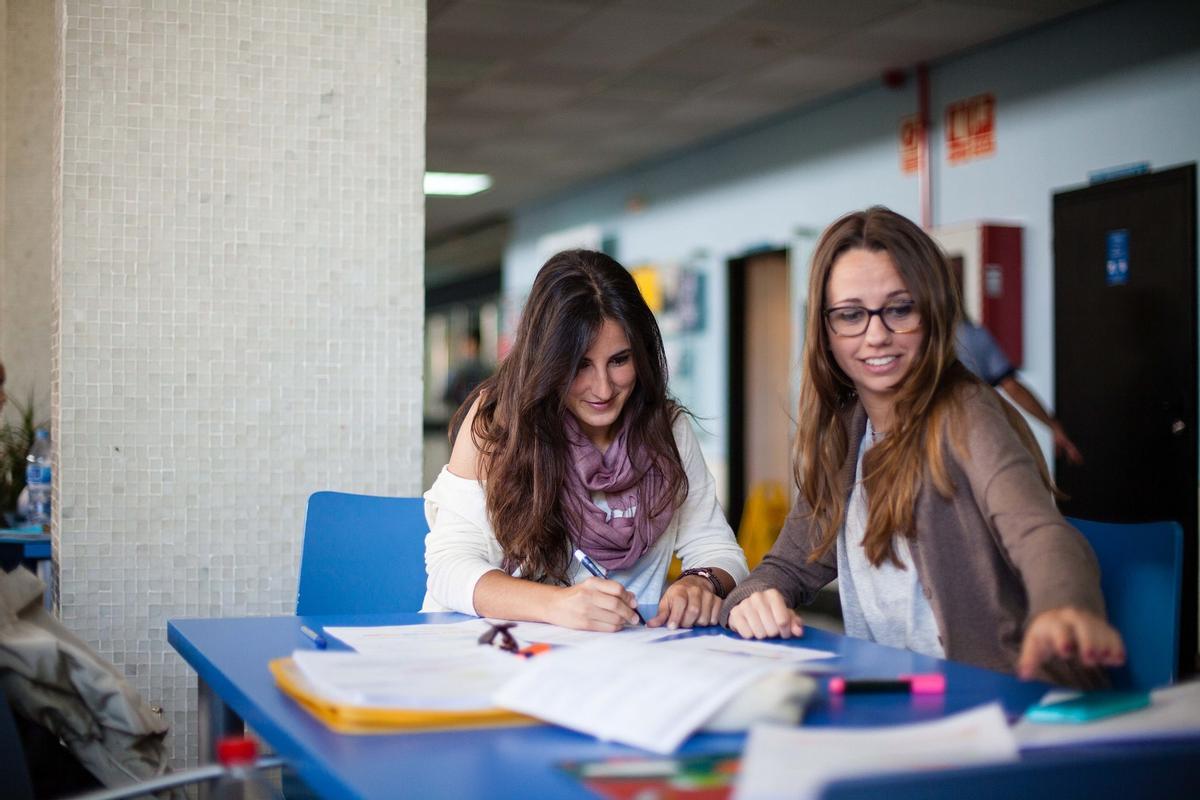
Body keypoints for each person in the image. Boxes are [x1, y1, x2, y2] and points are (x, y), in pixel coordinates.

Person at [720, 207, 1123, 687]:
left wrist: (1064, 607)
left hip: (987, 698)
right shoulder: (844, 431)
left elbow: (1039, 532)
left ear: (932, 312)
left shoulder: (966, 412)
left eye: (900, 309)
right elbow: (789, 563)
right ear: (825, 331)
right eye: (850, 315)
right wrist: (754, 597)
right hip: (895, 693)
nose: (876, 335)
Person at [423, 249, 748, 631]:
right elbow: (449, 567)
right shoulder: (497, 422)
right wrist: (557, 605)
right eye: (579, 365)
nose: (603, 388)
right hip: (494, 654)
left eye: (619, 360)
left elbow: (718, 550)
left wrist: (700, 582)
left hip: (624, 663)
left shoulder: (667, 429)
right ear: (546, 361)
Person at [956, 318, 1084, 464]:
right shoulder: (973, 335)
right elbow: (1012, 387)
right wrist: (1052, 425)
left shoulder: (930, 338)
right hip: (970, 439)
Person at [442, 329, 491, 412]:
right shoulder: (486, 370)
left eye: (468, 344)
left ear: (475, 345)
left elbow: (447, 397)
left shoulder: (460, 371)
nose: (464, 348)